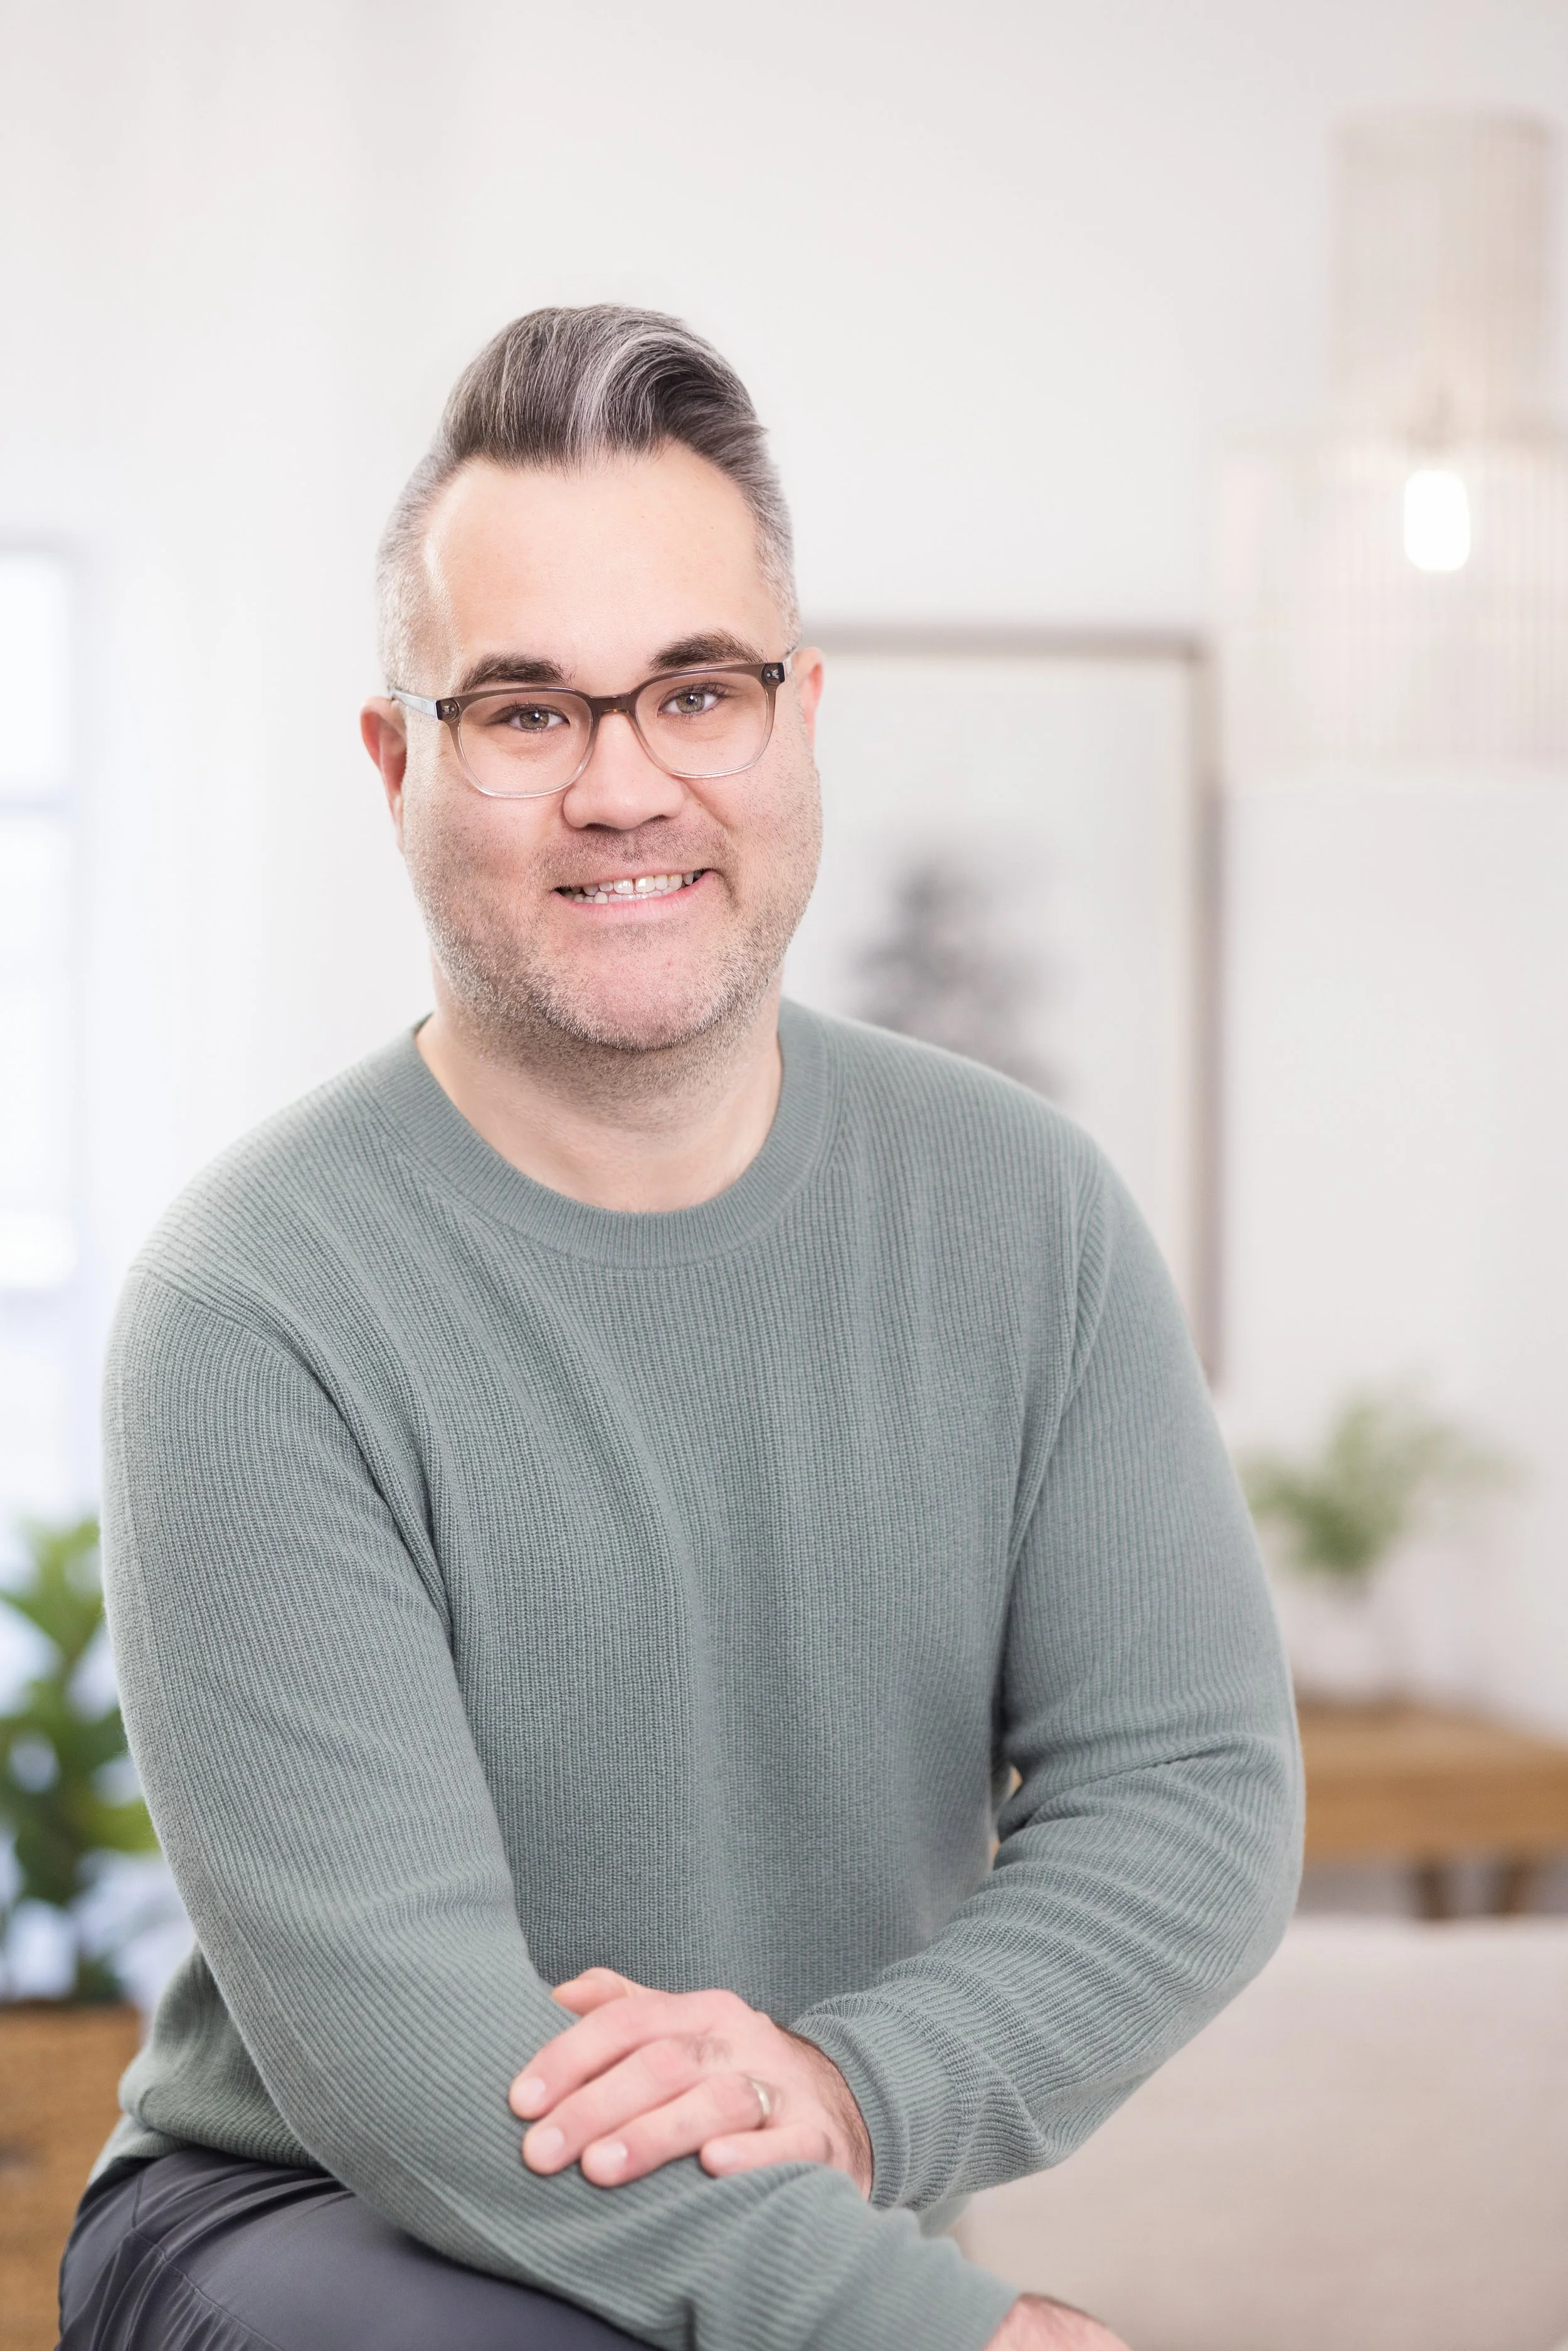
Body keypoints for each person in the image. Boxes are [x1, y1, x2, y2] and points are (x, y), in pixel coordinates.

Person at [59, 306, 1301, 2351]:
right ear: (402, 764)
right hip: (308, 2227)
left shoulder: (1023, 1210)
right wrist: (951, 2336)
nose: (623, 785)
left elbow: (1188, 1788)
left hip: (783, 2204)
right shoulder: (253, 1303)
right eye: (527, 712)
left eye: (694, 691)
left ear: (799, 716)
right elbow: (410, 2046)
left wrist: (850, 2084)